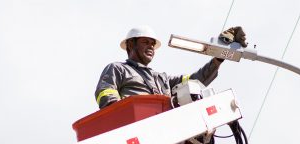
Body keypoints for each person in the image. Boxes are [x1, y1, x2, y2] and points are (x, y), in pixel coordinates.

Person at [94, 25, 247, 109]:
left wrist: (219, 58)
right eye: (145, 42)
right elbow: (106, 95)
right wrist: (121, 114)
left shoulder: (161, 78)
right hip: (134, 125)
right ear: (131, 44)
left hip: (164, 128)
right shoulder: (118, 69)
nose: (151, 47)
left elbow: (196, 82)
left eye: (153, 44)